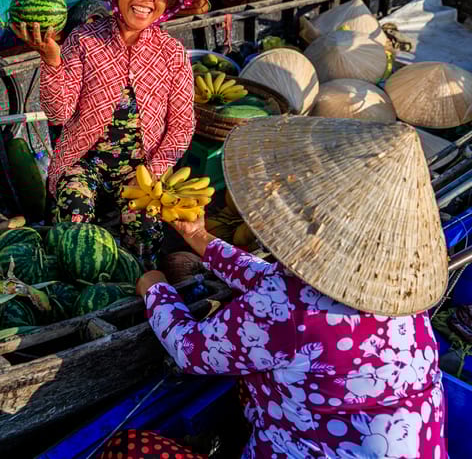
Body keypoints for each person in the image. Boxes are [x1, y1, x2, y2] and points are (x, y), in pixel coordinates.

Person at [103, 116, 450, 458]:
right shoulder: (396, 294)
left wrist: (156, 289)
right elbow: (276, 282)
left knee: (130, 448)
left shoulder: (289, 311)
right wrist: (201, 239)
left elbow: (191, 350)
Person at [12, 0, 210, 269]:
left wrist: (154, 170)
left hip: (142, 168)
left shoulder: (172, 53)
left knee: (144, 226)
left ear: (166, 4)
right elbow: (59, 113)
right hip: (82, 161)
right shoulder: (84, 40)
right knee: (75, 213)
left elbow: (181, 126)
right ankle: (76, 280)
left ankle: (141, 283)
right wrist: (51, 61)